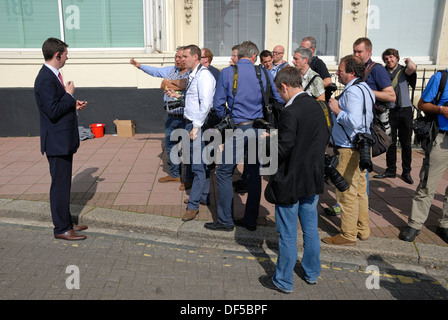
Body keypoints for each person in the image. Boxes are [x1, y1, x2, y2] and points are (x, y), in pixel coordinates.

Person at [259, 67, 329, 293]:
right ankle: (311, 273)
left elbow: (284, 147)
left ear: (285, 86)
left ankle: (283, 281)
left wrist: (266, 143)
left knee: (288, 234)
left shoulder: (290, 111)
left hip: (291, 180)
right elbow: (312, 138)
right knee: (310, 230)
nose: (280, 97)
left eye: (280, 92)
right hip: (312, 178)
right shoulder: (318, 106)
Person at [204, 40, 284, 232]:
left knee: (223, 172)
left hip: (238, 129)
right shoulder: (264, 72)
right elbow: (279, 98)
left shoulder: (227, 73)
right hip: (259, 129)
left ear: (239, 55)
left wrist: (228, 120)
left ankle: (225, 220)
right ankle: (250, 220)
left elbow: (217, 105)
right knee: (254, 173)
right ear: (255, 56)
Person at [34, 38, 88, 241]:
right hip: (56, 143)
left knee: (64, 185)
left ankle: (66, 222)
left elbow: (56, 105)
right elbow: (53, 110)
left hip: (62, 140)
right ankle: (61, 228)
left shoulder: (52, 75)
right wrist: (69, 95)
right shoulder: (45, 78)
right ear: (57, 55)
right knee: (60, 186)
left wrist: (72, 104)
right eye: (65, 54)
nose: (67, 57)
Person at [321, 55, 374, 246]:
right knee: (359, 190)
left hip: (348, 149)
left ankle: (348, 234)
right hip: (361, 146)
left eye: (341, 71)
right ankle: (362, 229)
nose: (337, 73)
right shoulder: (366, 89)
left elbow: (355, 122)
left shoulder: (352, 93)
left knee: (346, 192)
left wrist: (337, 110)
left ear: (351, 72)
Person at [130, 47, 192, 191]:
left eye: (180, 57)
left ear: (186, 58)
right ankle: (175, 175)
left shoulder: (191, 73)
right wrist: (140, 66)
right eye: (176, 57)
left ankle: (188, 179)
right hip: (170, 116)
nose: (177, 59)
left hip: (185, 117)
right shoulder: (171, 70)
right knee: (170, 146)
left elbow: (183, 86)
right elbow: (156, 73)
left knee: (187, 150)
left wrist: (168, 84)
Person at [166, 45, 216, 222]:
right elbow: (193, 100)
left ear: (195, 57)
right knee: (200, 165)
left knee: (197, 166)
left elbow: (206, 104)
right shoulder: (193, 75)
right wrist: (177, 96)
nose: (182, 59)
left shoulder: (204, 76)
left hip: (198, 126)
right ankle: (202, 197)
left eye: (186, 56)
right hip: (192, 124)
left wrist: (196, 127)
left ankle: (193, 205)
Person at [398, 69, 448, 244]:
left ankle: (445, 225)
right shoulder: (441, 77)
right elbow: (422, 104)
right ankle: (415, 224)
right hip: (441, 137)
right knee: (428, 183)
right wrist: (442, 109)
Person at [373, 49, 417, 185]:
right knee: (390, 141)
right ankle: (390, 170)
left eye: (391, 57)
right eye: (386, 58)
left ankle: (406, 172)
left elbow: (412, 68)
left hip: (405, 110)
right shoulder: (383, 72)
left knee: (406, 143)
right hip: (389, 110)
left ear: (397, 58)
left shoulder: (404, 71)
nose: (389, 60)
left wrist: (408, 60)